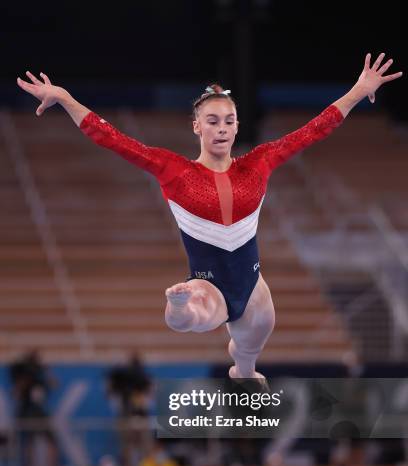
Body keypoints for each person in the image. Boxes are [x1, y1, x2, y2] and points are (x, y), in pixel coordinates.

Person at [17, 55, 402, 381]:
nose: (222, 129)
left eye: (229, 121)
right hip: (210, 282)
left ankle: (244, 371)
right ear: (197, 126)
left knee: (260, 329)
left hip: (251, 282)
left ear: (237, 126)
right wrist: (65, 98)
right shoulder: (174, 170)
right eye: (213, 121)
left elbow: (312, 131)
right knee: (194, 315)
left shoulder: (259, 161)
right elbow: (112, 138)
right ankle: (179, 302)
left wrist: (357, 90)